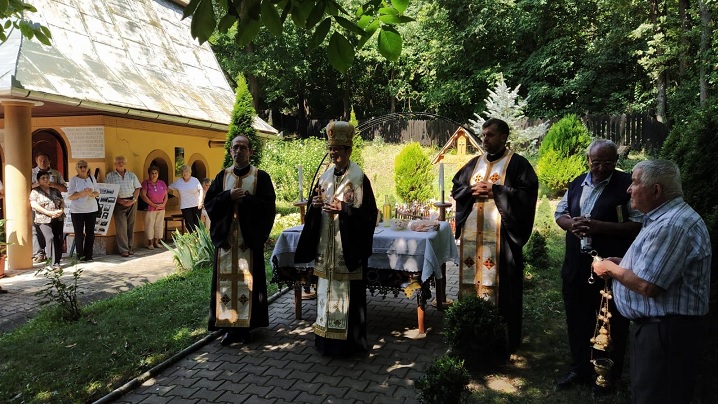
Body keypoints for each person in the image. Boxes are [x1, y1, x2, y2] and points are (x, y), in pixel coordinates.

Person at [592, 160, 711, 404]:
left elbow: (648, 285)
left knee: (657, 396)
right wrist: (622, 262)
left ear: (656, 190)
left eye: (634, 182)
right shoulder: (664, 218)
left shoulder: (673, 225)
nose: (628, 189)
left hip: (667, 333)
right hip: (660, 329)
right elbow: (654, 266)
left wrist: (611, 269)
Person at [553, 139, 642, 392]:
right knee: (577, 318)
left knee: (610, 320)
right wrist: (572, 225)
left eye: (608, 162)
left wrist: (597, 226)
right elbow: (560, 213)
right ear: (588, 160)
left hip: (610, 268)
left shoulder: (626, 186)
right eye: (596, 162)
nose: (601, 168)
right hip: (576, 265)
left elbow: (636, 225)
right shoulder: (577, 182)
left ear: (616, 161)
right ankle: (580, 367)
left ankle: (607, 373)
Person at [451, 117, 538, 353]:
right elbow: (456, 187)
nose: (484, 139)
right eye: (483, 135)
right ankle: (468, 338)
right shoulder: (474, 164)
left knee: (503, 290)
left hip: (503, 243)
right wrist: (471, 190)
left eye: (490, 135)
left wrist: (496, 191)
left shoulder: (518, 165)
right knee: (470, 287)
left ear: (503, 137)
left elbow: (527, 196)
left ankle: (500, 344)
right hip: (473, 242)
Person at [295, 121, 378, 356]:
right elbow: (316, 207)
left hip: (348, 251)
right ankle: (326, 342)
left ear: (348, 150)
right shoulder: (325, 177)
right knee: (325, 295)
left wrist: (345, 210)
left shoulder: (359, 178)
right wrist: (314, 206)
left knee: (348, 298)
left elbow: (370, 215)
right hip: (326, 252)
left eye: (338, 150)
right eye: (331, 150)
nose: (333, 154)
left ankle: (350, 345)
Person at [204, 135, 276, 345]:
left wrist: (246, 200)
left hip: (248, 241)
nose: (238, 151)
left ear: (250, 152)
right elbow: (210, 204)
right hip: (227, 242)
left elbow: (268, 207)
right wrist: (228, 197)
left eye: (243, 148)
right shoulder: (222, 176)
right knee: (226, 285)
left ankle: (246, 327)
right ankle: (228, 328)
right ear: (231, 151)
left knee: (248, 282)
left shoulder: (260, 177)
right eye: (235, 148)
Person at [31, 153, 67, 263]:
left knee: (57, 236)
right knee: (37, 231)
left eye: (45, 160)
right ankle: (39, 253)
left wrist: (52, 185)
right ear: (36, 161)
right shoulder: (31, 173)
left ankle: (55, 259)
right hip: (40, 211)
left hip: (56, 211)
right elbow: (26, 187)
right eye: (40, 160)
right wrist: (39, 184)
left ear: (49, 161)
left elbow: (64, 189)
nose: (43, 162)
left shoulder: (56, 173)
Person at [105, 156, 141, 257]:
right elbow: (108, 190)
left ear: (125, 164)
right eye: (118, 162)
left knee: (131, 225)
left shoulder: (131, 175)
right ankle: (123, 250)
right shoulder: (110, 176)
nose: (121, 164)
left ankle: (130, 248)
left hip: (132, 201)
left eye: (123, 162)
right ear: (115, 164)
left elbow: (137, 188)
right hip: (118, 203)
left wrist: (133, 200)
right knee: (121, 227)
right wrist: (119, 200)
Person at [67, 160, 100, 262]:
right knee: (79, 233)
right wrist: (83, 193)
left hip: (91, 209)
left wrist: (91, 194)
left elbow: (97, 192)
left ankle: (88, 255)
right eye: (80, 167)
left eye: (84, 166)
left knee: (90, 233)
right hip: (77, 211)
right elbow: (71, 196)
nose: (83, 169)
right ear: (77, 169)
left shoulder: (92, 178)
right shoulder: (74, 180)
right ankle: (80, 256)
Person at [169, 165, 204, 233]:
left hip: (196, 205)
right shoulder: (178, 182)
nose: (185, 174)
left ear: (190, 172)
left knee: (197, 223)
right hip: (185, 206)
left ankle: (198, 240)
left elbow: (201, 190)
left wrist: (200, 201)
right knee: (189, 223)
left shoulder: (195, 180)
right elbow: (168, 189)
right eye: (183, 172)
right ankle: (192, 240)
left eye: (187, 172)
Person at [141, 166, 168, 249]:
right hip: (151, 208)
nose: (154, 175)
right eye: (152, 173)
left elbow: (166, 195)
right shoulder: (145, 183)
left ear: (158, 174)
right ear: (149, 174)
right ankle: (150, 243)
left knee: (159, 225)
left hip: (161, 207)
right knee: (150, 225)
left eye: (156, 173)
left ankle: (157, 242)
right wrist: (153, 204)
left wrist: (163, 203)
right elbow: (143, 195)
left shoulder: (162, 183)